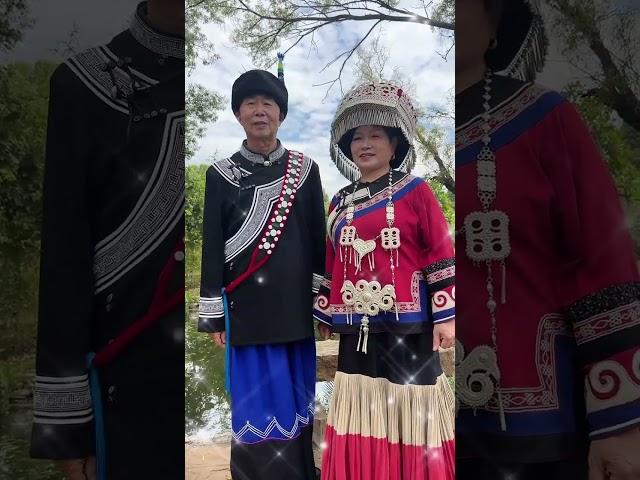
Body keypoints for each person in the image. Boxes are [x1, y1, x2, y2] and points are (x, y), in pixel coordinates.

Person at [455, 1, 640, 479]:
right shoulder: (396, 154)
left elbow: (603, 263)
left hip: (534, 428)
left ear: (493, 25)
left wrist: (620, 422)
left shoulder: (544, 118)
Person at [30, 2, 185, 479]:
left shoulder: (237, 96)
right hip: (129, 399)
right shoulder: (85, 85)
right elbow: (64, 260)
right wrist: (67, 428)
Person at [314, 81, 456, 480]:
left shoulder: (416, 191)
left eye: (376, 135)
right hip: (355, 326)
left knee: (415, 407)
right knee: (359, 405)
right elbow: (331, 261)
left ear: (395, 144)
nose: (365, 143)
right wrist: (325, 310)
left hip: (410, 325)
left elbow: (440, 251)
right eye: (357, 137)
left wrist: (446, 314)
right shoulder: (339, 202)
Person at [197, 64, 326, 479]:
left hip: (294, 311)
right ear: (238, 114)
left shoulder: (305, 171)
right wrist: (213, 313)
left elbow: (317, 240)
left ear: (281, 114)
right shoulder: (220, 174)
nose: (259, 110)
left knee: (296, 400)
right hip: (247, 313)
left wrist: (322, 306)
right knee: (254, 405)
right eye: (249, 103)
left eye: (267, 103)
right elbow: (213, 246)